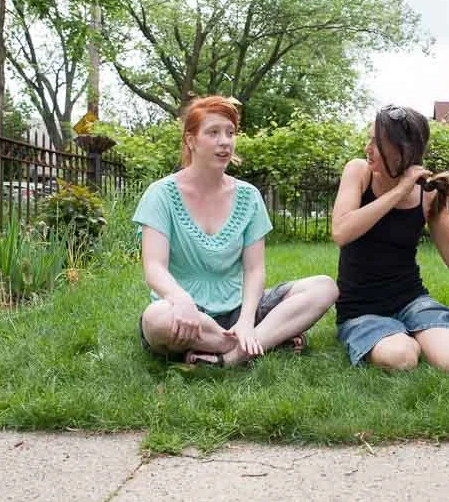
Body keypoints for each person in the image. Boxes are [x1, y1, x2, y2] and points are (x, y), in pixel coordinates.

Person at [134, 95, 338, 367]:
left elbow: (254, 270)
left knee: (324, 287)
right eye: (213, 132)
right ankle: (262, 341)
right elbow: (154, 268)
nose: (225, 141)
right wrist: (181, 300)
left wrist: (245, 319)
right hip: (186, 315)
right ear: (190, 140)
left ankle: (231, 357)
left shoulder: (248, 196)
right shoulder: (160, 194)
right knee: (155, 319)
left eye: (230, 133)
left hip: (240, 308)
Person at [331, 104, 449, 374]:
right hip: (361, 309)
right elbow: (341, 232)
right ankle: (429, 336)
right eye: (368, 139)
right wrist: (401, 189)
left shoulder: (427, 193)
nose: (367, 147)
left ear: (402, 151)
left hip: (411, 301)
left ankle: (438, 336)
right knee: (401, 359)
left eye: (376, 142)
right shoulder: (359, 172)